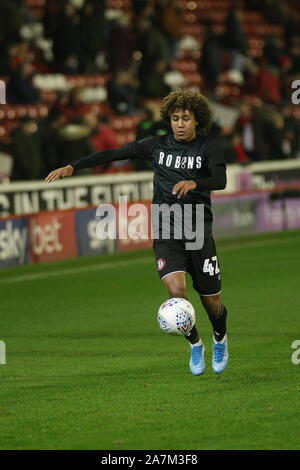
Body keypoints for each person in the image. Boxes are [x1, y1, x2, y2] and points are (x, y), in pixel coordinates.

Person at [45, 91, 229, 376]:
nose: (179, 124)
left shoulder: (208, 148)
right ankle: (195, 344)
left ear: (197, 120)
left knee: (212, 302)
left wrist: (195, 182)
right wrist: (74, 166)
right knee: (177, 296)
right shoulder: (156, 145)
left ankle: (220, 338)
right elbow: (114, 153)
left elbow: (220, 179)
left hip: (198, 231)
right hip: (166, 230)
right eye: (175, 118)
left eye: (185, 119)